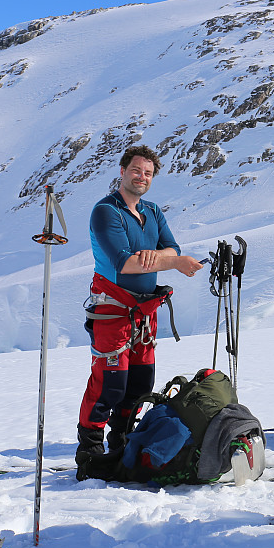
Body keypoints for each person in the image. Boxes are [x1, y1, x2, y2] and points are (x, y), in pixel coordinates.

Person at [77, 145, 204, 463]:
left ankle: (121, 439)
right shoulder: (106, 211)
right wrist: (167, 260)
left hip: (145, 313)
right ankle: (90, 446)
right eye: (136, 170)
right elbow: (124, 263)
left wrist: (158, 257)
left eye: (148, 173)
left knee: (140, 383)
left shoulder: (153, 212)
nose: (141, 177)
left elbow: (173, 248)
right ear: (122, 172)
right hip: (113, 309)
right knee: (110, 383)